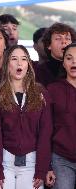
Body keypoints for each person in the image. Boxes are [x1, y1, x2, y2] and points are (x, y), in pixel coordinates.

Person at [0, 45, 53, 189]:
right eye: (14, 59)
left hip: (32, 165)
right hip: (4, 163)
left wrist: (42, 169)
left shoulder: (41, 93)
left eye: (23, 59)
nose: (19, 63)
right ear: (7, 64)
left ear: (28, 64)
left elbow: (45, 133)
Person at [47, 43, 76, 189]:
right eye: (69, 58)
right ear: (63, 63)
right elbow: (45, 129)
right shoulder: (53, 89)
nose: (74, 62)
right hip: (61, 158)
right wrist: (47, 166)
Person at [35, 22, 76, 87]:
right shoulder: (39, 72)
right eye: (58, 38)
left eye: (67, 38)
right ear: (49, 45)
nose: (64, 41)